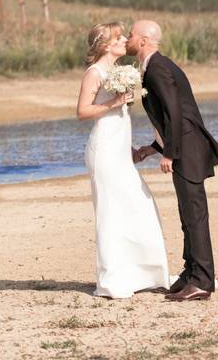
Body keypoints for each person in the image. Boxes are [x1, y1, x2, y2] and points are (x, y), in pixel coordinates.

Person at [126, 19, 218, 302]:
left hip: (187, 150)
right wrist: (152, 149)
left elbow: (174, 112)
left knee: (194, 216)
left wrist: (171, 153)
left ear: (145, 40)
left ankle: (203, 281)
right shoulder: (155, 66)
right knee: (188, 215)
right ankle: (190, 274)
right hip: (183, 146)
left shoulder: (158, 68)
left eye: (131, 35)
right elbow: (170, 116)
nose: (127, 38)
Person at [77, 22, 170, 299]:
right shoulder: (94, 73)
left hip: (118, 147)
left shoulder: (118, 72)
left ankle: (145, 273)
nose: (125, 40)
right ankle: (113, 278)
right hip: (103, 150)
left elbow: (120, 116)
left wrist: (129, 146)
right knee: (111, 211)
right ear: (106, 45)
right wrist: (114, 103)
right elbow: (82, 111)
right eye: (120, 38)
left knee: (139, 205)